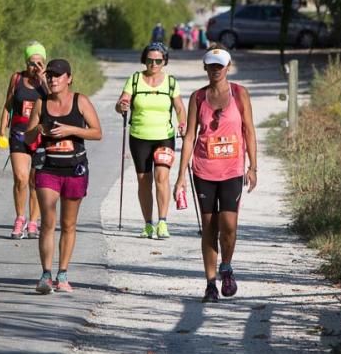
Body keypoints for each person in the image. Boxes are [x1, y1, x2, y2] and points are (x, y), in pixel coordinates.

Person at [174, 48, 258, 303]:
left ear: (228, 66)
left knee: (229, 225)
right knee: (209, 227)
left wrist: (253, 166)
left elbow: (249, 131)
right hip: (204, 169)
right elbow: (189, 136)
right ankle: (210, 283)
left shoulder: (240, 94)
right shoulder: (197, 97)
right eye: (211, 65)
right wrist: (180, 177)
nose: (216, 69)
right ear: (205, 68)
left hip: (232, 170)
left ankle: (227, 267)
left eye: (220, 65)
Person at [23, 59, 103, 294]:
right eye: (50, 76)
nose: (53, 79)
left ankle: (63, 274)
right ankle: (46, 275)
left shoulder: (80, 101)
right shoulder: (41, 103)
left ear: (69, 78)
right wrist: (37, 130)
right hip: (48, 168)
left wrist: (71, 130)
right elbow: (27, 139)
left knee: (68, 224)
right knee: (48, 221)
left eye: (58, 75)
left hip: (75, 168)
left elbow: (97, 133)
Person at [115, 42, 186, 239]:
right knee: (143, 180)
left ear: (164, 62)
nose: (153, 64)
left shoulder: (171, 82)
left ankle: (162, 222)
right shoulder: (135, 79)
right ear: (144, 60)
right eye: (149, 60)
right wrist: (122, 106)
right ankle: (148, 224)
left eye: (158, 61)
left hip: (164, 136)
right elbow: (120, 104)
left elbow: (179, 108)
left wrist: (183, 124)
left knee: (161, 178)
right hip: (139, 136)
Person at [0, 42, 48, 239]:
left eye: (39, 63)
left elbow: (57, 102)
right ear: (25, 62)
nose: (34, 67)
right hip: (18, 133)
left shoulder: (48, 82)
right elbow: (8, 105)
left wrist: (43, 80)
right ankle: (20, 218)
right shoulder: (17, 78)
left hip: (40, 135)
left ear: (44, 63)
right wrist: (2, 130)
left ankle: (34, 221)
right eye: (31, 63)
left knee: (36, 181)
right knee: (21, 178)